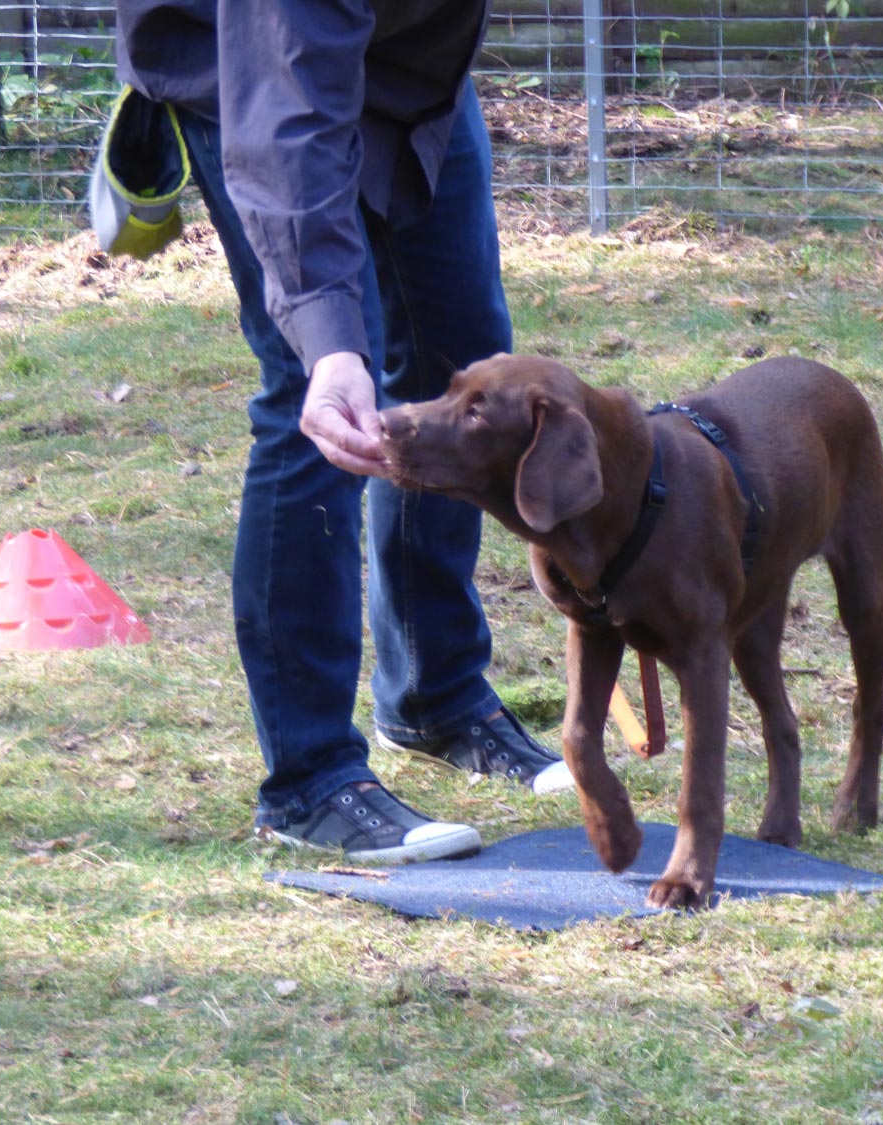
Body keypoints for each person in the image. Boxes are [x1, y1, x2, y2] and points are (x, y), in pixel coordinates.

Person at [113, 0, 573, 863]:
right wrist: (330, 342)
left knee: (463, 365)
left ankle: (436, 696)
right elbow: (287, 116)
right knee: (316, 398)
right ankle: (310, 777)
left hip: (405, 69)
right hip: (247, 79)